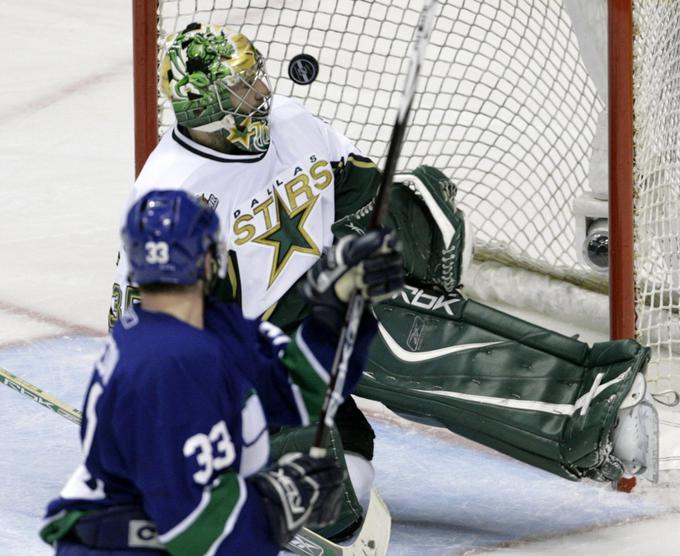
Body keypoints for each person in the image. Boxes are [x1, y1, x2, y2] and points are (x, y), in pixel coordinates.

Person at [109, 23, 657, 538]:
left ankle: (595, 410)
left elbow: (361, 186)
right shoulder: (171, 201)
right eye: (245, 87)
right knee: (332, 498)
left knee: (417, 346)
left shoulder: (291, 124)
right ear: (212, 108)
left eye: (257, 76)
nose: (263, 91)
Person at [41, 190, 403, 555]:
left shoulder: (205, 327)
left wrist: (335, 311)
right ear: (210, 260)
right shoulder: (163, 371)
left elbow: (295, 387)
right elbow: (187, 528)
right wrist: (278, 503)